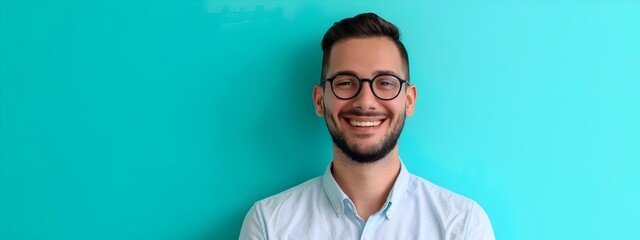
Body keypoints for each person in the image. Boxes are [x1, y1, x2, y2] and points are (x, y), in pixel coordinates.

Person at [239, 12, 495, 240]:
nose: (365, 101)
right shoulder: (268, 226)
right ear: (319, 100)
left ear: (409, 100)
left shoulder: (463, 226)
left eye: (385, 82)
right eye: (345, 82)